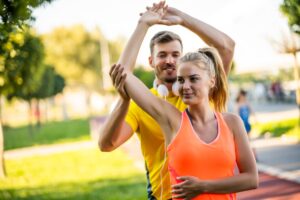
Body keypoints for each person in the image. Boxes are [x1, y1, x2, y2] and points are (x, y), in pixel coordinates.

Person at [99, 2, 236, 199]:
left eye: (175, 54)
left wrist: (181, 18)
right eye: (162, 55)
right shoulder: (141, 103)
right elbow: (106, 144)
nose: (170, 60)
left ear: (183, 59)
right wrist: (143, 25)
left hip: (210, 193)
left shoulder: (203, 92)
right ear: (151, 61)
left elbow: (226, 47)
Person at [235, 89, 258, 161]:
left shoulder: (247, 103)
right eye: (243, 95)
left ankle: (254, 156)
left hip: (247, 124)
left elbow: (252, 111)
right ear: (240, 96)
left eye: (245, 95)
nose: (244, 97)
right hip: (242, 126)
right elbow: (237, 115)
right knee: (243, 142)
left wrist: (255, 119)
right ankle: (245, 158)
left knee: (250, 140)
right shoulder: (238, 104)